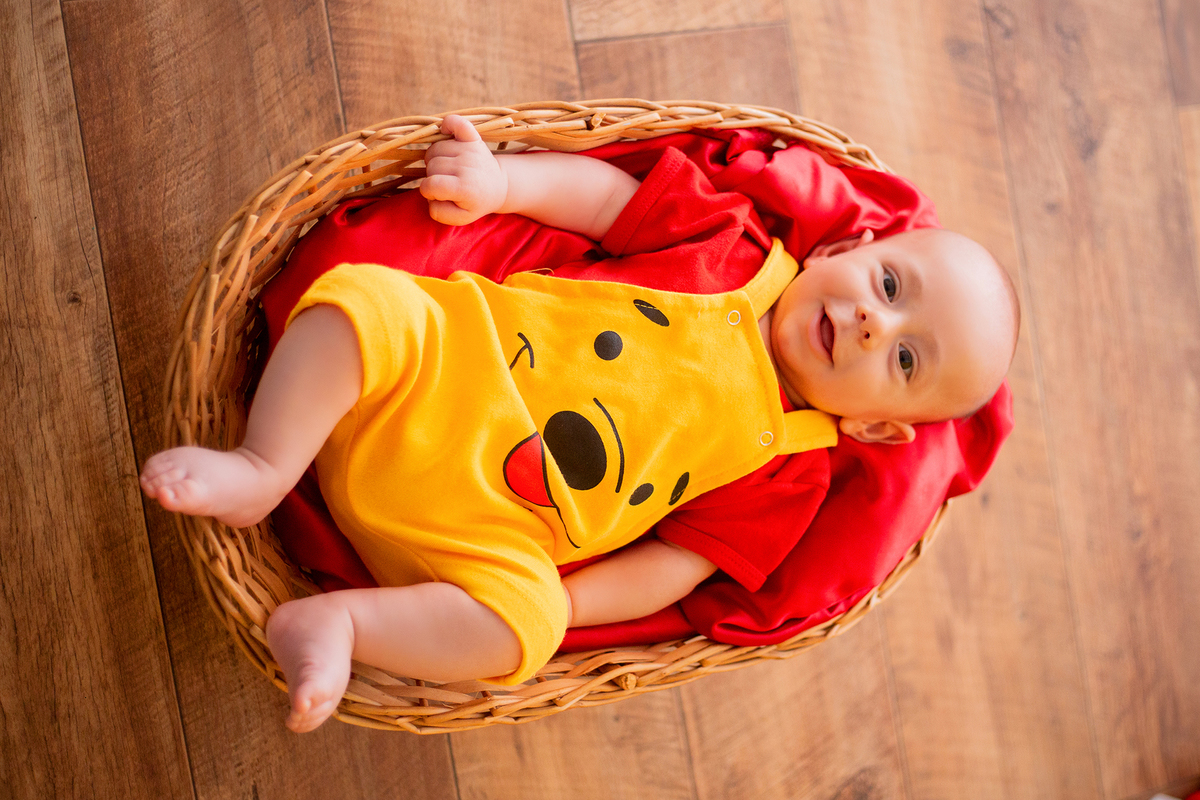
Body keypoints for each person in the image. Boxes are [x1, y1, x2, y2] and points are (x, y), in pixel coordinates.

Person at [140, 115, 1019, 732]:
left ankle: (345, 626)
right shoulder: (735, 243)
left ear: (875, 430)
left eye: (905, 361)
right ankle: (264, 467)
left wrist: (566, 605)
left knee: (521, 630)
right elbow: (606, 202)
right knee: (365, 305)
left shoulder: (791, 475)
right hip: (436, 371)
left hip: (478, 537)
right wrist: (503, 184)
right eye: (889, 285)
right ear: (844, 249)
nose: (872, 324)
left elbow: (673, 566)